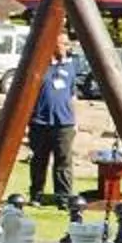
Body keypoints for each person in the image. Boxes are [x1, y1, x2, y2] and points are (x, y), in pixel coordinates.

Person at [27, 53, 80, 209]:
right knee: (39, 161)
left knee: (63, 161)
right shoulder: (40, 66)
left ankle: (63, 198)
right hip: (40, 122)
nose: (65, 47)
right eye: (62, 43)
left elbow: (72, 96)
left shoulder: (69, 67)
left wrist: (75, 120)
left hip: (64, 123)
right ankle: (37, 195)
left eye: (66, 43)